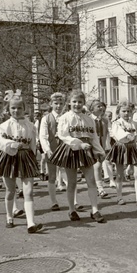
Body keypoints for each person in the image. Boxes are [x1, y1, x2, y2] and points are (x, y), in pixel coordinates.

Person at [49, 90, 107, 223]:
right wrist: (78, 144)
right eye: (74, 101)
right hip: (71, 150)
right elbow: (63, 135)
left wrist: (100, 151)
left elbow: (94, 138)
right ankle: (71, 210)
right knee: (72, 182)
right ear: (69, 103)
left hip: (86, 151)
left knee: (91, 181)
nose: (77, 104)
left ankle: (95, 210)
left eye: (80, 102)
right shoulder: (65, 118)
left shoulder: (89, 119)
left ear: (84, 103)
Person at [0, 92, 42, 233]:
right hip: (9, 157)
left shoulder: (30, 126)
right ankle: (9, 216)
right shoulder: (4, 126)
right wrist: (12, 144)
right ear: (8, 109)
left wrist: (35, 158)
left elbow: (33, 143)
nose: (16, 111)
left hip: (26, 157)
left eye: (19, 108)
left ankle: (30, 223)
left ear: (24, 108)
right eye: (13, 108)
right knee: (10, 190)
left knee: (29, 191)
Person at [106, 100, 137, 206]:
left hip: (132, 148)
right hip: (121, 148)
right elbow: (118, 134)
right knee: (120, 175)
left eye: (129, 111)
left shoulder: (134, 123)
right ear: (119, 112)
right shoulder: (116, 123)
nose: (126, 114)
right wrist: (127, 135)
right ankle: (119, 197)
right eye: (124, 111)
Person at [39, 92, 66, 211]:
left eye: (61, 103)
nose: (58, 106)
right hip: (52, 150)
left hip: (66, 150)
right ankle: (54, 201)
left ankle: (74, 201)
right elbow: (43, 136)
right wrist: (47, 150)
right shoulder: (46, 118)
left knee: (69, 175)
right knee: (52, 176)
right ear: (51, 104)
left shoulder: (67, 117)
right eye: (56, 103)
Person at [87, 99, 109, 198]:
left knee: (98, 167)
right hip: (90, 146)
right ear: (92, 109)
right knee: (93, 168)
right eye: (98, 106)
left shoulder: (104, 120)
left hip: (100, 146)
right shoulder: (88, 119)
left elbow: (108, 133)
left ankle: (99, 188)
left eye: (101, 106)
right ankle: (97, 187)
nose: (101, 108)